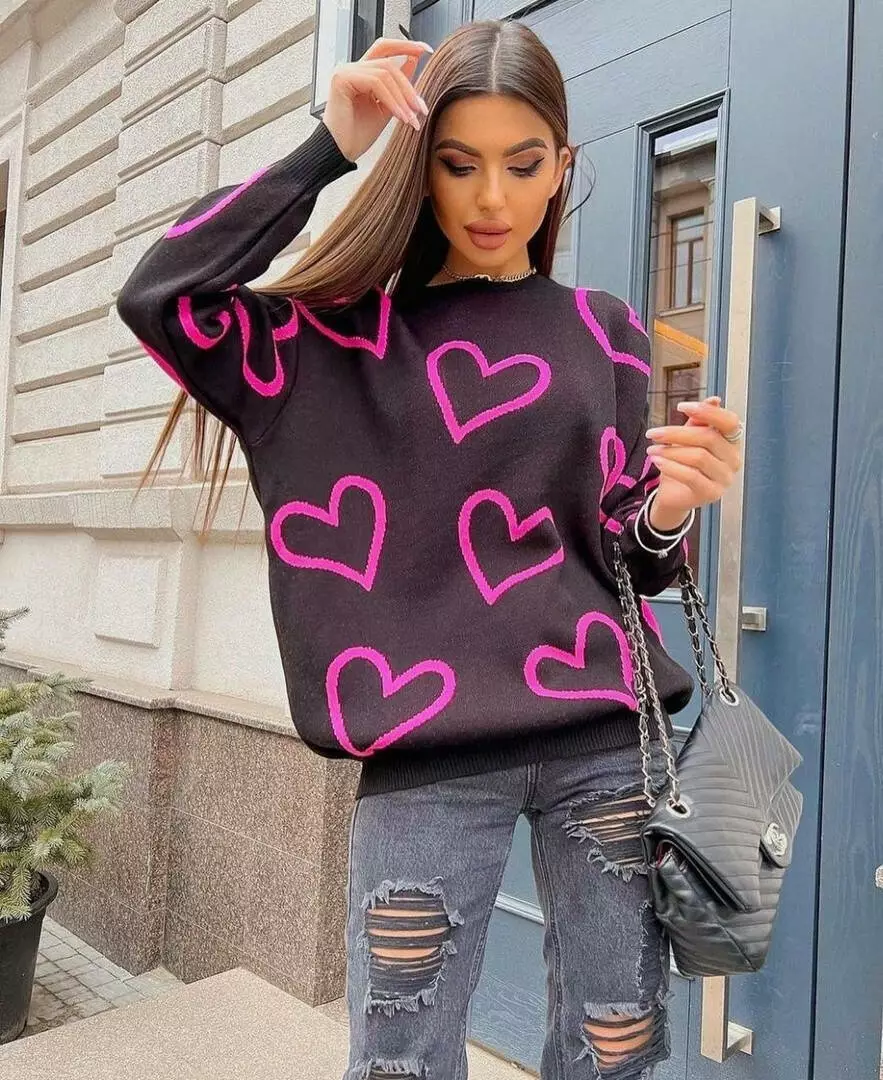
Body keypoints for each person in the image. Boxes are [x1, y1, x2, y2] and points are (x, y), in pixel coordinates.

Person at [116, 18, 744, 1080]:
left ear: (562, 168)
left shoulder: (605, 330)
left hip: (603, 742)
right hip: (426, 749)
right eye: (457, 164)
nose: (491, 197)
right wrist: (330, 144)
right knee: (397, 1058)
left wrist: (673, 507)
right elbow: (161, 295)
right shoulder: (330, 344)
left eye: (521, 164)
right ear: (419, 167)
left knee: (618, 1046)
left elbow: (627, 555)